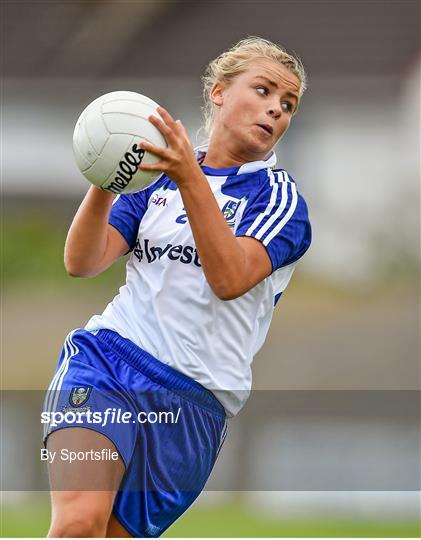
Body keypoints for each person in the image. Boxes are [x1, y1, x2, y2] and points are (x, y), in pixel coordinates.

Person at [43, 36, 311, 538]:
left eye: (288, 104)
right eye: (263, 90)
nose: (276, 108)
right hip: (109, 365)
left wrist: (190, 175)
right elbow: (82, 261)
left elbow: (230, 278)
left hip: (194, 405)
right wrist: (107, 175)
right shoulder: (155, 181)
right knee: (78, 526)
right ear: (219, 92)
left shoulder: (281, 203)